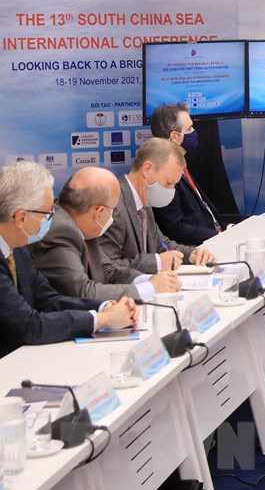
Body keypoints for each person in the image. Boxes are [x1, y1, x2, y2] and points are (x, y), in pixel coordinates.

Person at [0, 160, 137, 358]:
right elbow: (29, 325)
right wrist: (102, 320)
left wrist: (105, 307)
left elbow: (49, 300)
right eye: (47, 214)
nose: (52, 218)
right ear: (21, 218)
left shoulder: (18, 249)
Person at [30, 166, 181, 301]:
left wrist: (151, 280)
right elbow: (84, 292)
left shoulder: (83, 226)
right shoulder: (61, 231)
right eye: (113, 210)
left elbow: (108, 270)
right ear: (99, 212)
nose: (112, 216)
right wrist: (151, 288)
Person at [98, 138, 216, 275]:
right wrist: (157, 263)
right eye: (169, 182)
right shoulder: (114, 205)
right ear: (147, 169)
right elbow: (107, 267)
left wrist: (192, 254)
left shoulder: (144, 202)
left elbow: (162, 244)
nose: (172, 190)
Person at [148, 102, 223, 244]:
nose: (194, 131)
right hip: (196, 247)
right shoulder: (163, 174)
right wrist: (218, 236)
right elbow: (176, 228)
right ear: (175, 136)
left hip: (213, 237)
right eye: (189, 129)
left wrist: (229, 229)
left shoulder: (181, 166)